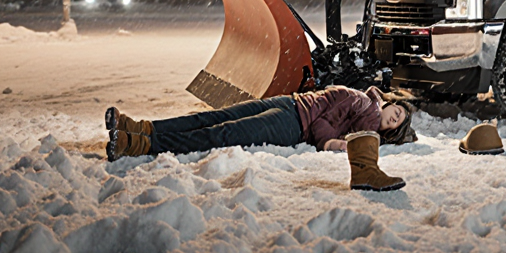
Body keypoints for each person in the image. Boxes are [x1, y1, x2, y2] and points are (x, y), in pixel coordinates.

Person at [104, 86, 415, 160]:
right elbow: (322, 128)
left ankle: (141, 137)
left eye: (394, 125)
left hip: (290, 108)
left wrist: (337, 139)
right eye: (397, 113)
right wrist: (335, 143)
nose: (391, 119)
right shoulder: (369, 110)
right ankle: (143, 133)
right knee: (217, 127)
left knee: (218, 127)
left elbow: (325, 123)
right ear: (391, 101)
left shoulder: (366, 113)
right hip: (292, 114)